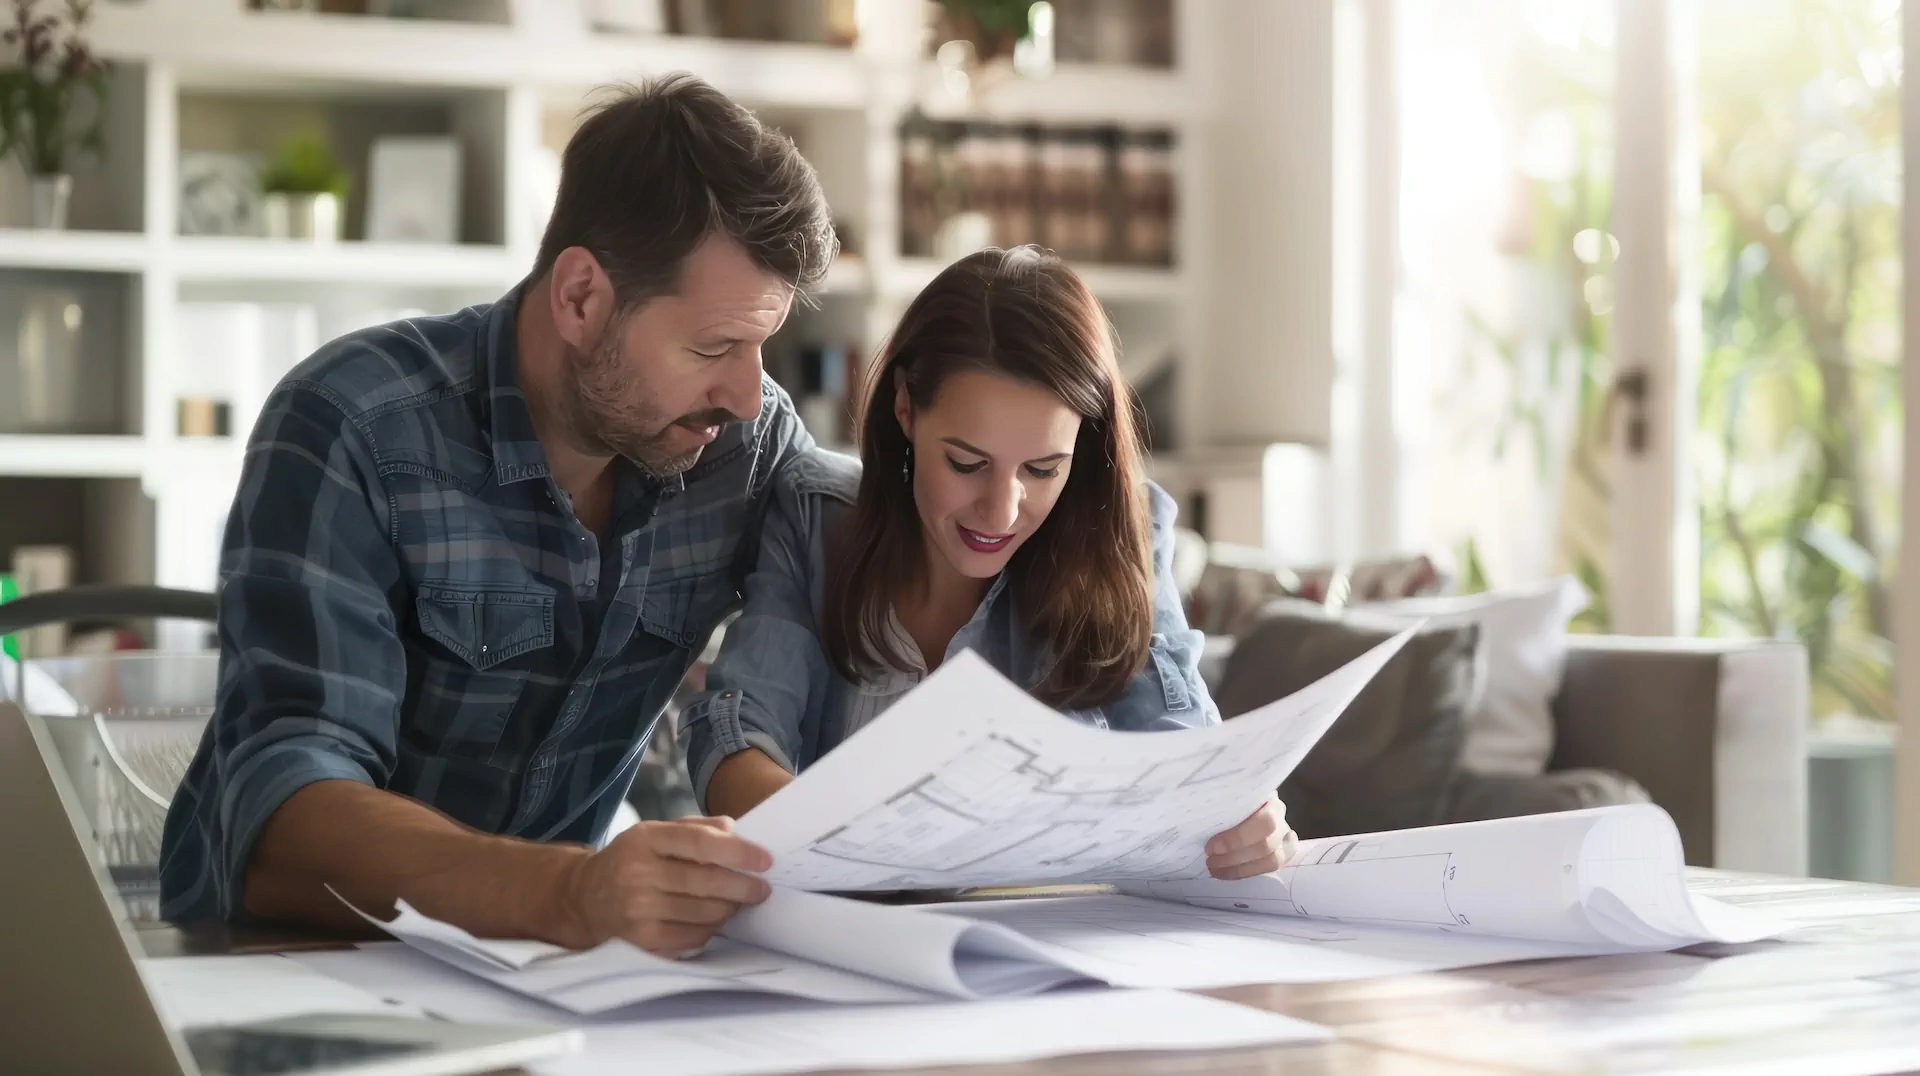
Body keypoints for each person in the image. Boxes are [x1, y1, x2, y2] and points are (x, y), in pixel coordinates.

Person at [158, 73, 837, 958]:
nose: (748, 394)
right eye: (713, 347)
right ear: (581, 297)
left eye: (761, 346)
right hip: (283, 963)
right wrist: (569, 891)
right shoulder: (350, 422)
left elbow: (901, 554)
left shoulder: (740, 445)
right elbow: (283, 817)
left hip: (546, 969)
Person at [683, 246, 1296, 880]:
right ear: (905, 410)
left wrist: (1240, 824)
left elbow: (1184, 755)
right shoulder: (815, 518)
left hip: (1042, 948)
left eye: (1041, 469)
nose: (1001, 512)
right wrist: (835, 851)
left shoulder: (1122, 532)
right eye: (966, 463)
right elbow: (739, 727)